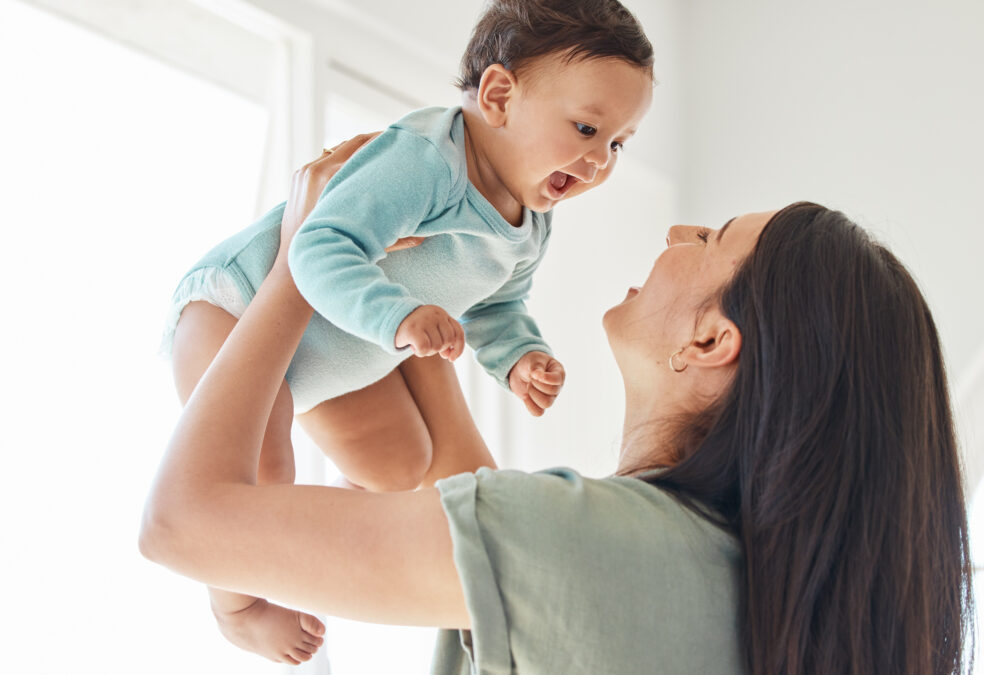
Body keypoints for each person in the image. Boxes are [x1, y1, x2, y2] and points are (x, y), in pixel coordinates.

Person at [142, 137, 976, 673]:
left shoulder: (580, 540)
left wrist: (299, 256)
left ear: (714, 342)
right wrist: (421, 268)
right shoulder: (729, 581)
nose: (682, 231)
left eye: (714, 238)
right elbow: (451, 479)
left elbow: (183, 524)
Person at [159, 0, 654, 661]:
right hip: (235, 309)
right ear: (499, 95)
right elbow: (316, 245)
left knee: (399, 466)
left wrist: (518, 357)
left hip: (335, 348)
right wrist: (397, 318)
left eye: (617, 143)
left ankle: (309, 537)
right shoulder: (426, 162)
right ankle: (238, 606)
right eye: (587, 128)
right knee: (263, 470)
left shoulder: (532, 219)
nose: (599, 161)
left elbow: (497, 302)